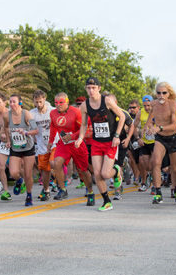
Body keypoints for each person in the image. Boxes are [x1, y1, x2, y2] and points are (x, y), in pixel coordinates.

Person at [75, 77, 126, 212]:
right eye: (88, 88)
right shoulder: (85, 105)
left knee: (105, 173)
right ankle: (106, 201)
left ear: (99, 88)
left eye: (93, 88)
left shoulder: (107, 101)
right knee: (97, 174)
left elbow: (122, 117)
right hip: (97, 142)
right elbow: (84, 124)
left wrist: (116, 135)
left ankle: (116, 172)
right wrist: (80, 138)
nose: (91, 91)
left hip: (110, 141)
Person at [49, 92, 94, 202]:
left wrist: (73, 136)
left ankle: (90, 191)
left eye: (61, 102)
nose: (58, 104)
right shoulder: (53, 113)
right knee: (56, 163)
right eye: (56, 102)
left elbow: (85, 128)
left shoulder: (76, 112)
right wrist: (50, 141)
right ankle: (63, 189)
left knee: (83, 170)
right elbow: (53, 127)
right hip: (63, 144)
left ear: (67, 102)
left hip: (77, 144)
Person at [144, 82, 176, 205]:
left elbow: (174, 125)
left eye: (164, 93)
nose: (161, 95)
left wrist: (159, 127)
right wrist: (149, 127)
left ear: (168, 93)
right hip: (160, 138)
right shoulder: (154, 104)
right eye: (158, 93)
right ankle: (158, 193)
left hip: (173, 137)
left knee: (175, 168)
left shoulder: (173, 105)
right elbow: (150, 120)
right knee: (155, 163)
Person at [4, 94, 39, 207]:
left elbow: (36, 130)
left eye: (14, 101)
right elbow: (5, 127)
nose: (12, 104)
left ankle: (29, 195)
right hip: (15, 147)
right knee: (13, 172)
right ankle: (19, 180)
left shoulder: (26, 114)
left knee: (28, 174)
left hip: (28, 147)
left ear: (20, 102)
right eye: (10, 102)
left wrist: (26, 132)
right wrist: (8, 140)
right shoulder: (7, 115)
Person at [30, 90, 54, 202]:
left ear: (44, 99)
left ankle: (61, 187)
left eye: (40, 101)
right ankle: (46, 190)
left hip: (54, 143)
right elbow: (33, 130)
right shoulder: (32, 114)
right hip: (41, 145)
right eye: (36, 102)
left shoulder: (52, 111)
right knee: (45, 170)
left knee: (55, 163)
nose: (38, 104)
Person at [134, 95, 155, 192]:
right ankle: (144, 181)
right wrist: (138, 138)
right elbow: (133, 127)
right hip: (145, 141)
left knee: (154, 163)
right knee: (142, 161)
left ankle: (155, 184)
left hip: (155, 141)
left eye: (149, 105)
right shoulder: (140, 113)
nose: (147, 108)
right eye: (145, 105)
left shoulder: (157, 112)